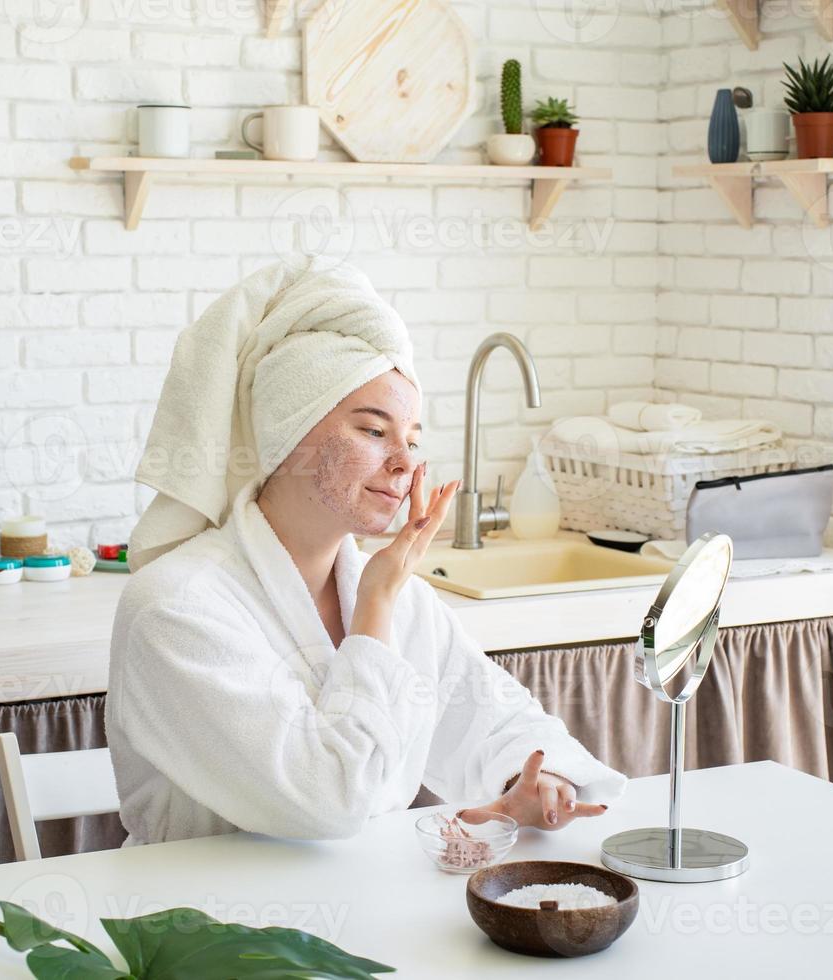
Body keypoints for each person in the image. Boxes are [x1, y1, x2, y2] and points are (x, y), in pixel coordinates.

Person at [106, 254, 627, 846]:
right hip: (208, 926)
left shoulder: (399, 597)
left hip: (360, 910)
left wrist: (535, 778)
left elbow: (493, 717)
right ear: (289, 436)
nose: (405, 463)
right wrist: (376, 606)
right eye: (374, 431)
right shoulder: (177, 609)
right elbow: (331, 799)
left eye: (412, 439)